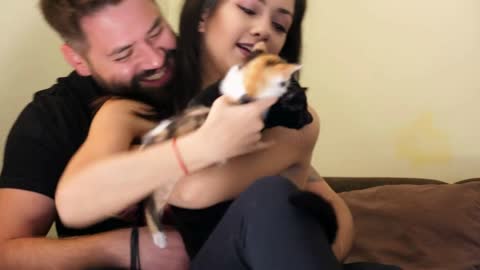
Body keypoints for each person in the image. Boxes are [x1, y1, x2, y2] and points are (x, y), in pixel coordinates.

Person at [55, 0, 360, 268]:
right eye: (248, 9)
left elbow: (195, 189)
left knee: (268, 195)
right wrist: (205, 144)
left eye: (280, 25)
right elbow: (73, 202)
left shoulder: (295, 122)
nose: (263, 29)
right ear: (203, 15)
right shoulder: (129, 112)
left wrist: (130, 166)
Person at [0, 0, 191, 269]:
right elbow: (5, 252)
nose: (155, 59)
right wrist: (117, 248)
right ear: (78, 60)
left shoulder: (211, 62)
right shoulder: (51, 120)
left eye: (156, 31)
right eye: (124, 54)